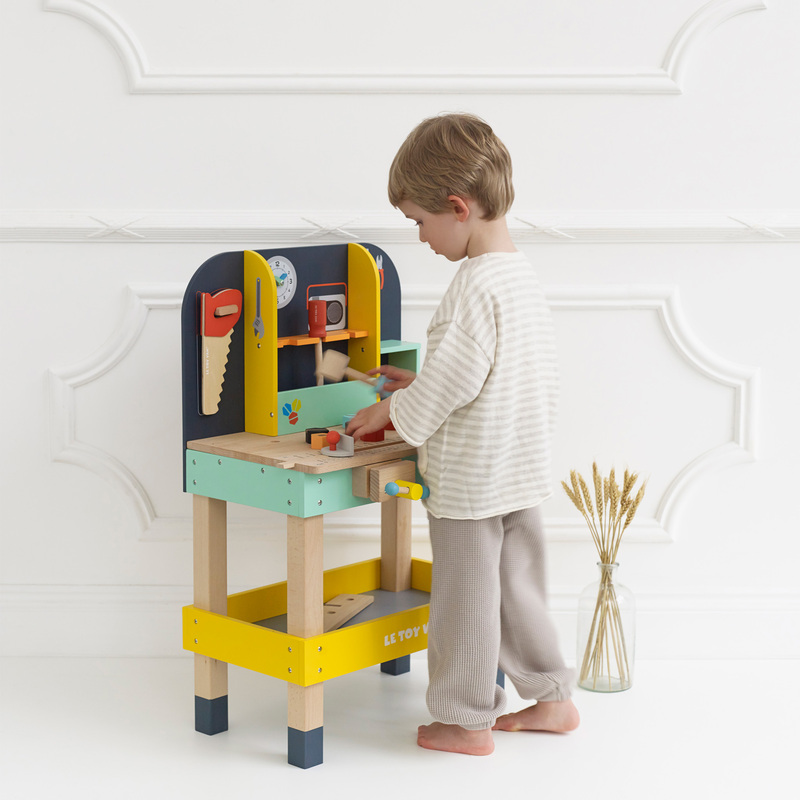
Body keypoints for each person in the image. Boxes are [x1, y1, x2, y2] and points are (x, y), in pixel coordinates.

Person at [346, 113, 579, 756]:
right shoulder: (519, 276)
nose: (419, 237)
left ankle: (463, 719)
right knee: (519, 590)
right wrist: (414, 380)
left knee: (463, 606)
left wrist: (390, 414)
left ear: (458, 207)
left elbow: (451, 385)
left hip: (475, 482)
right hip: (521, 468)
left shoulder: (471, 285)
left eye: (419, 221)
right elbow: (487, 370)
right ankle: (553, 698)